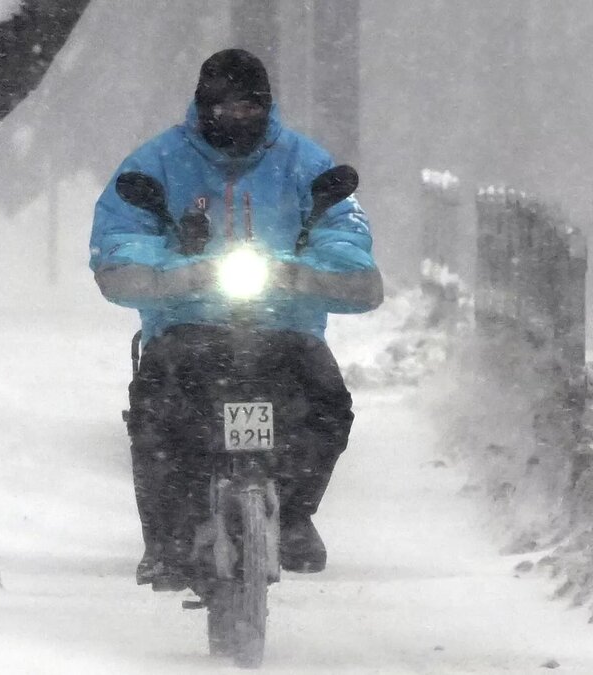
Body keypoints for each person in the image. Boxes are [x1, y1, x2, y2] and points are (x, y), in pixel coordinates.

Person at [89, 48, 382, 588]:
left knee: (327, 403)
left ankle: (294, 515)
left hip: (284, 326)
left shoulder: (308, 166)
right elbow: (119, 241)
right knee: (156, 412)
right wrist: (182, 272)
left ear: (266, 106)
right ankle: (166, 539)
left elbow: (348, 239)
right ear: (203, 105)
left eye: (249, 107)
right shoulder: (153, 165)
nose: (236, 118)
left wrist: (297, 271)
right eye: (223, 107)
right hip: (186, 326)